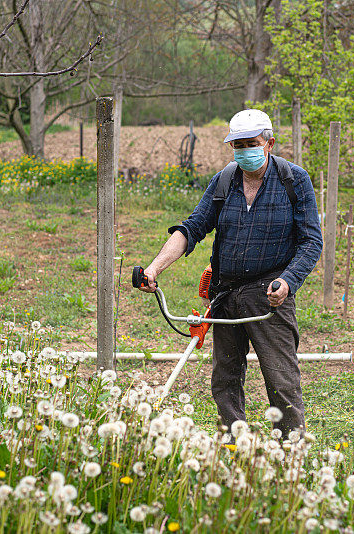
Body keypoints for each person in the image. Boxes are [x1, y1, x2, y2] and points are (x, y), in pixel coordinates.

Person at [137, 109, 323, 438]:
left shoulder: (293, 180)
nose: (244, 151)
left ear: (269, 143)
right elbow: (193, 228)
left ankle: (291, 455)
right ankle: (234, 445)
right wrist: (155, 267)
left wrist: (288, 282)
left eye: (251, 144)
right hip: (225, 294)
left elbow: (311, 242)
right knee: (225, 379)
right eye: (238, 145)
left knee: (281, 380)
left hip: (269, 296)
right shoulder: (225, 180)